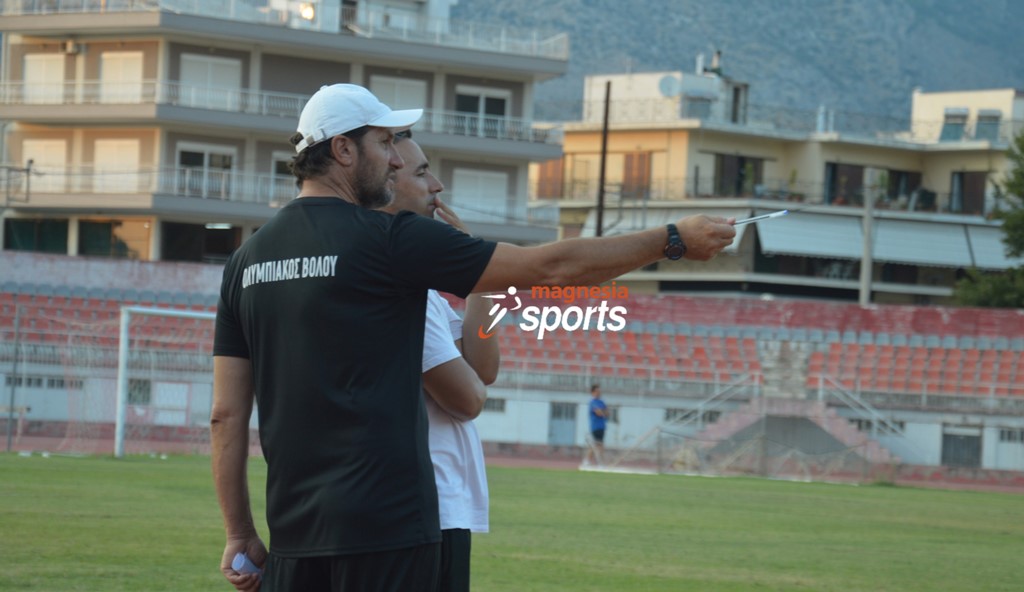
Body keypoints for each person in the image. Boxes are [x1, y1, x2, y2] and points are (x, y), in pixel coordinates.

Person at [211, 83, 737, 592]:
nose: (394, 160)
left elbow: (226, 416)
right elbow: (550, 268)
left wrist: (239, 531)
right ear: (343, 150)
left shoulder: (244, 262)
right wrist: (670, 240)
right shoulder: (388, 240)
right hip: (390, 531)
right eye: (385, 143)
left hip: (294, 539)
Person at [384, 131, 496, 592]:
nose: (438, 186)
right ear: (386, 183)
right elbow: (469, 398)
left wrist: (481, 280)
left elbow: (484, 368)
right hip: (428, 502)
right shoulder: (401, 289)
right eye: (423, 172)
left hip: (432, 503)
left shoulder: (425, 290)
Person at [585, 384, 608, 466]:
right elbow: (598, 413)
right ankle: (600, 462)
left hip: (602, 426)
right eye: (597, 391)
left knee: (596, 445)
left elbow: (607, 413)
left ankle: (588, 461)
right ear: (593, 392)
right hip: (595, 426)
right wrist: (602, 412)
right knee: (598, 445)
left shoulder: (602, 402)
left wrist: (602, 412)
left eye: (599, 391)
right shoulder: (593, 402)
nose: (599, 393)